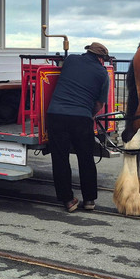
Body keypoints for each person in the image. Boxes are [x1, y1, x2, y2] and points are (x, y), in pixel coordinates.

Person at [46, 41, 111, 212]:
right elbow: (99, 103)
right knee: (86, 159)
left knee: (60, 159)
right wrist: (89, 115)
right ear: (101, 58)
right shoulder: (102, 73)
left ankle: (68, 201)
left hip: (55, 114)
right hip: (81, 117)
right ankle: (89, 200)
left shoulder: (71, 60)